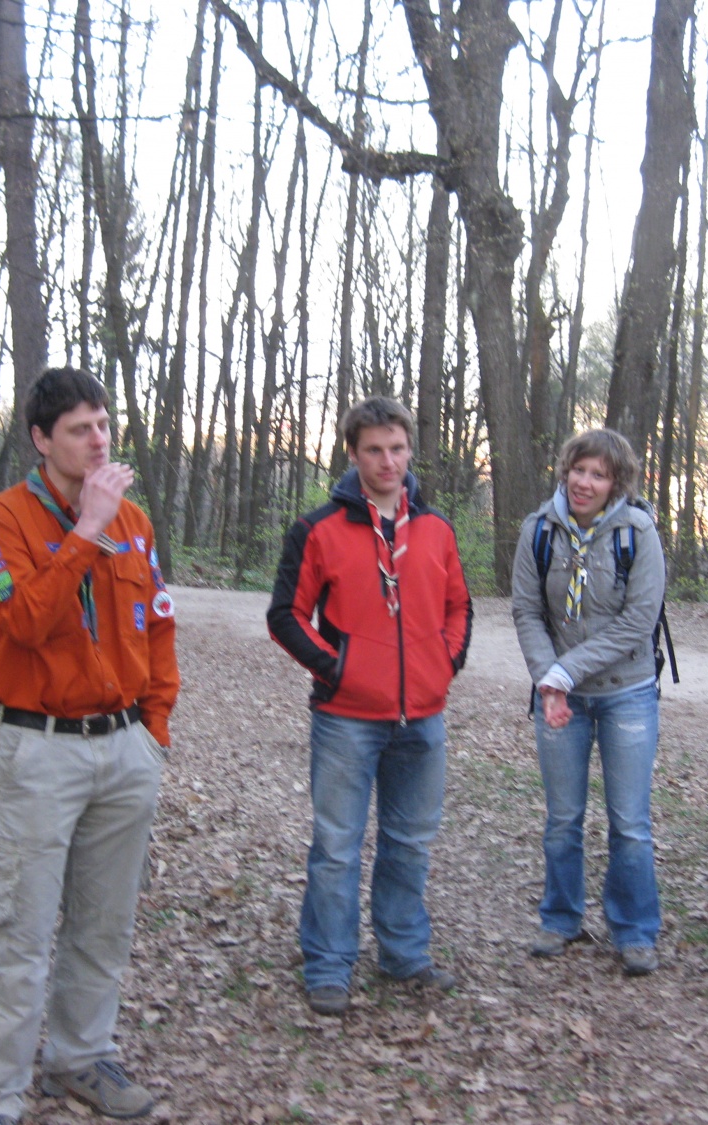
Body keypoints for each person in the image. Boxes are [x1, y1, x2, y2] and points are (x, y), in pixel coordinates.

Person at [0, 367, 179, 1124]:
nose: (98, 441)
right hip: (37, 749)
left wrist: (156, 730)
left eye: (104, 425)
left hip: (123, 746)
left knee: (105, 920)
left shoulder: (136, 523)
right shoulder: (2, 520)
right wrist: (84, 531)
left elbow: (159, 625)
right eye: (81, 429)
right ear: (41, 439)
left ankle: (79, 1057)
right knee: (20, 924)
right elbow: (23, 620)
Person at [267, 395, 473, 1017]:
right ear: (353, 455)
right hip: (347, 718)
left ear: (411, 451)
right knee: (337, 845)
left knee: (410, 842)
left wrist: (446, 660)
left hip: (423, 717)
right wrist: (338, 668)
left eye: (398, 448)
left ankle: (403, 953)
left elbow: (459, 606)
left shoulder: (435, 528)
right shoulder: (318, 529)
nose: (388, 461)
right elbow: (285, 615)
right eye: (374, 450)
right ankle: (329, 963)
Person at [510, 429, 666, 977]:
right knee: (562, 818)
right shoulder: (538, 530)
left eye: (598, 474)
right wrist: (547, 679)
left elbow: (638, 621)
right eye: (579, 469)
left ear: (615, 482)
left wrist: (564, 671)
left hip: (626, 694)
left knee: (629, 822)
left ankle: (635, 931)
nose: (585, 482)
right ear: (565, 470)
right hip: (558, 698)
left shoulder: (637, 531)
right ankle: (560, 919)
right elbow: (527, 611)